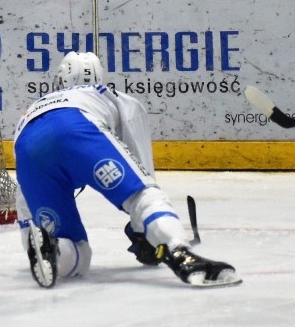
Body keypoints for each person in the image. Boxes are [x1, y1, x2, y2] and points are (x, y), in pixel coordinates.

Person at [13, 52, 241, 288]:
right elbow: (142, 179)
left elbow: (23, 192)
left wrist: (32, 232)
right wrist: (144, 232)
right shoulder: (112, 97)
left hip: (27, 148)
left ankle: (54, 248)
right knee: (145, 196)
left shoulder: (33, 108)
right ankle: (180, 252)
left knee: (79, 256)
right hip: (77, 128)